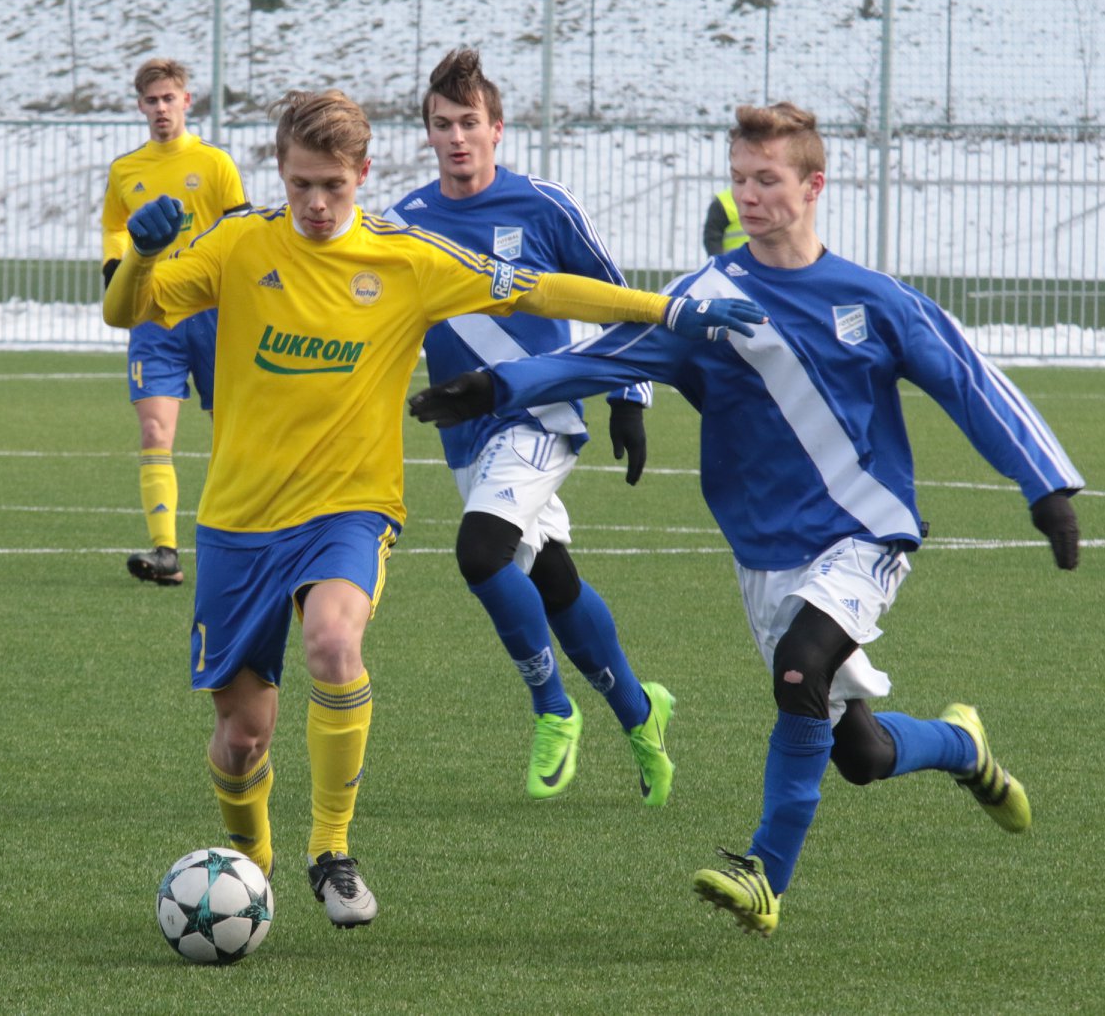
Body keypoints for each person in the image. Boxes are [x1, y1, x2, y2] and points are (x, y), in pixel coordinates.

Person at [409, 101, 1084, 937]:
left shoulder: (871, 299)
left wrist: (1044, 487)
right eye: (738, 179)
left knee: (799, 670)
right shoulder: (706, 301)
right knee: (860, 754)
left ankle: (762, 874)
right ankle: (961, 746)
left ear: (813, 185)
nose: (749, 195)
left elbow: (967, 381)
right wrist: (492, 387)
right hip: (765, 554)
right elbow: (598, 356)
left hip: (865, 531)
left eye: (766, 179)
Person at [102, 88, 764, 929]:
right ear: (279, 170)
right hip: (237, 520)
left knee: (333, 641)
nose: (315, 203)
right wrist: (141, 255)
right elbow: (127, 310)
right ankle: (253, 863)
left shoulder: (406, 258)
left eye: (332, 185)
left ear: (362, 172)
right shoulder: (238, 243)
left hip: (348, 508)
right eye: (301, 184)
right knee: (243, 738)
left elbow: (541, 291)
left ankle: (330, 849)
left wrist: (668, 310)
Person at [383, 48, 675, 805]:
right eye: (442, 124)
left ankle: (553, 709)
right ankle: (640, 713)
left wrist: (629, 397)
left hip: (540, 414)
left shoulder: (544, 206)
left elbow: (615, 299)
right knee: (550, 577)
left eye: (469, 122)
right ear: (427, 133)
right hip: (463, 431)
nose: (456, 137)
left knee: (480, 553)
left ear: (498, 128)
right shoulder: (403, 223)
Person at [101, 58, 248, 587]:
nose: (161, 108)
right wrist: (114, 267)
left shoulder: (214, 163)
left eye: (169, 98)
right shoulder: (126, 170)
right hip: (153, 314)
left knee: (231, 432)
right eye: (151, 100)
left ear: (187, 101)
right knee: (154, 429)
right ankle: (165, 551)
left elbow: (241, 230)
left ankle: (239, 539)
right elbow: (115, 226)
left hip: (212, 314)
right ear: (139, 105)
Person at [701, 184, 748, 257]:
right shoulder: (724, 203)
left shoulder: (766, 197)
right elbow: (712, 239)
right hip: (733, 262)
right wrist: (719, 262)